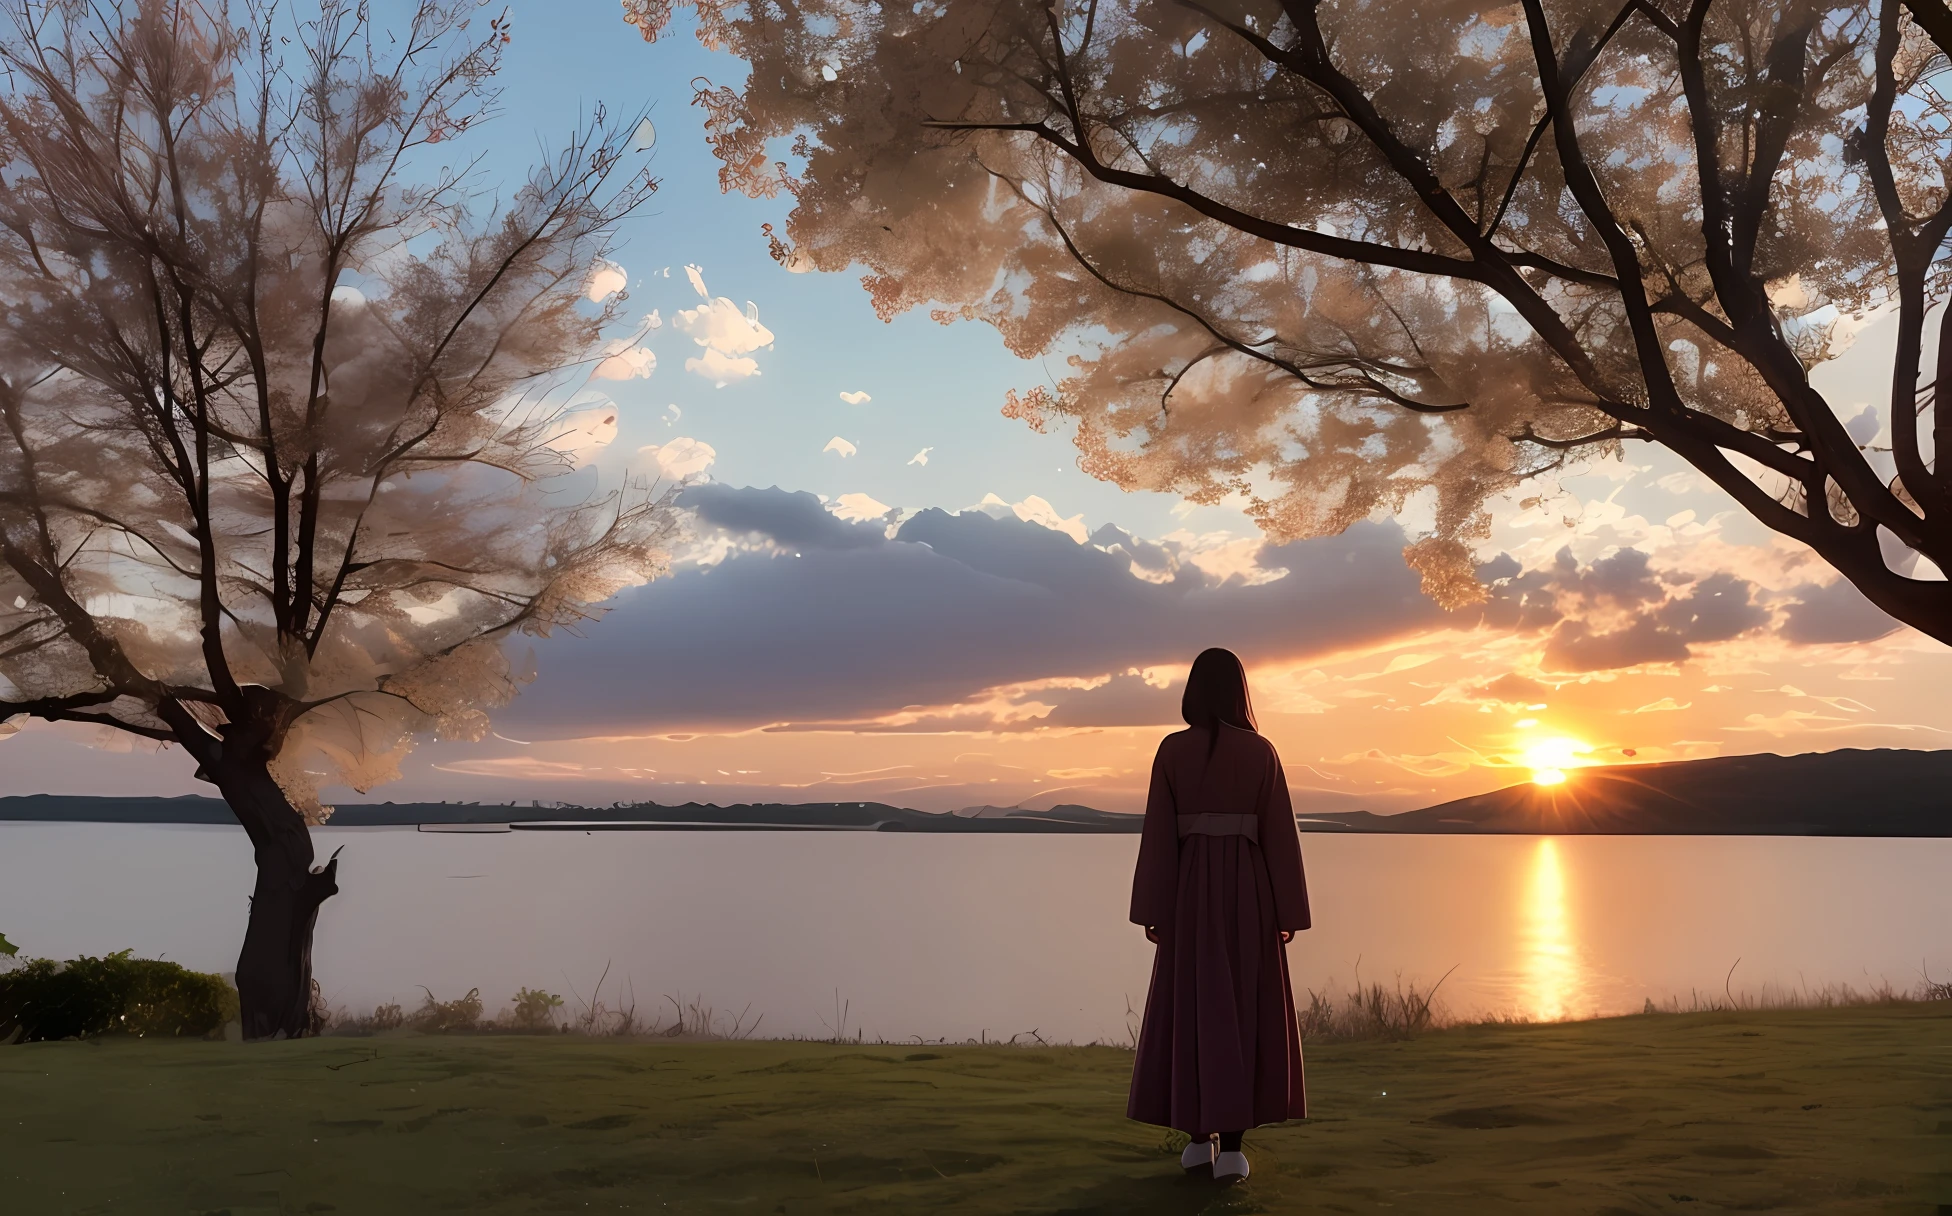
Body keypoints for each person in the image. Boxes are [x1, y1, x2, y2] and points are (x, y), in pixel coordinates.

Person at [1127, 647, 1310, 1183]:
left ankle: (1196, 1143)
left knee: (1193, 1008)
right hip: (1249, 897)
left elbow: (1158, 838)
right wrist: (1288, 911)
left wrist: (1153, 908)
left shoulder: (1171, 752)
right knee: (1242, 1009)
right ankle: (1232, 1149)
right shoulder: (1261, 753)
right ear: (1238, 692)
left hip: (1189, 896)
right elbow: (1280, 837)